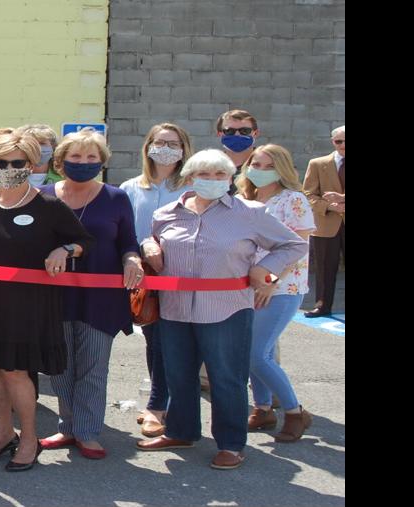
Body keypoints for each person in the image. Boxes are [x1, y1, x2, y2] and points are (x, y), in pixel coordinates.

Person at [136, 150, 307, 470]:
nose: (212, 181)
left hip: (226, 310)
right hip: (175, 310)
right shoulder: (167, 213)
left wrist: (267, 273)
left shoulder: (250, 212)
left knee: (227, 378)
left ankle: (230, 443)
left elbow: (294, 244)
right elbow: (154, 239)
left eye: (220, 175)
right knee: (179, 375)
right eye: (204, 175)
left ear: (230, 179)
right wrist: (149, 245)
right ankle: (181, 431)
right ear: (189, 178)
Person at [0, 133, 92, 473]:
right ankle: (2, 434)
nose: (10, 169)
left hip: (29, 304)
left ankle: (29, 439)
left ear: (31, 165)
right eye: (2, 163)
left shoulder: (49, 206)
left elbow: (82, 241)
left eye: (18, 163)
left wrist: (64, 249)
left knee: (16, 371)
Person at [36, 129, 142, 460]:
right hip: (54, 297)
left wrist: (133, 259)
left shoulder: (116, 197)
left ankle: (87, 431)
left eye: (92, 157)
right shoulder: (42, 196)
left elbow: (127, 241)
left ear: (102, 162)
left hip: (100, 297)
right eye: (76, 157)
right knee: (60, 366)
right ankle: (67, 426)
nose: (84, 162)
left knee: (93, 366)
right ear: (60, 160)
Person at [121, 123, 193, 439]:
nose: (165, 148)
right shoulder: (130, 188)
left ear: (184, 148)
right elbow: (123, 232)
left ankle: (160, 405)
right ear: (148, 146)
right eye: (159, 142)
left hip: (185, 275)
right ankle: (159, 402)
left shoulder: (193, 186)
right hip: (146, 278)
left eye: (172, 143)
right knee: (155, 339)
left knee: (175, 341)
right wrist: (142, 247)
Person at [239, 144, 316, 443]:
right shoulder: (244, 200)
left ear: (281, 168)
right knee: (258, 352)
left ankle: (295, 412)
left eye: (265, 165)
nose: (257, 170)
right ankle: (262, 409)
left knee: (256, 353)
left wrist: (270, 280)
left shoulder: (293, 200)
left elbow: (298, 247)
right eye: (254, 164)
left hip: (282, 288)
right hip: (247, 287)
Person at [302, 125, 345, 318]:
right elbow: (309, 194)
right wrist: (330, 206)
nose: (343, 145)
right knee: (325, 268)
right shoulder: (318, 164)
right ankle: (322, 305)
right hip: (326, 224)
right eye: (339, 141)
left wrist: (342, 198)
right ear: (332, 142)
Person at [216, 109, 260, 177]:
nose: (237, 134)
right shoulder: (211, 165)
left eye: (244, 131)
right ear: (219, 134)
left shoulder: (268, 163)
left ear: (255, 133)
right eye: (229, 131)